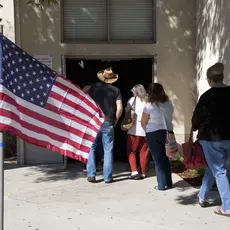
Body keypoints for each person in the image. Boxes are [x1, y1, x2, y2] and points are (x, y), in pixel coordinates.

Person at [192, 62, 230, 217]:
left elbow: (197, 118)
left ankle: (227, 207)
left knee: (219, 170)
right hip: (229, 138)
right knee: (213, 167)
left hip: (211, 138)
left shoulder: (207, 97)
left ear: (210, 80)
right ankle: (203, 196)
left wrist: (194, 128)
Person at [87, 68, 123, 183]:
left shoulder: (93, 88)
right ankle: (107, 177)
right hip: (108, 122)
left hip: (94, 121)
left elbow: (83, 96)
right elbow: (120, 108)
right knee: (108, 149)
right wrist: (116, 120)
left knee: (91, 147)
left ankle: (91, 174)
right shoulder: (116, 90)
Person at [141, 83, 174, 190]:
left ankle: (161, 185)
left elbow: (143, 122)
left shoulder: (149, 105)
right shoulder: (168, 103)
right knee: (165, 158)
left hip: (153, 133)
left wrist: (147, 131)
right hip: (166, 132)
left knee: (158, 159)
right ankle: (169, 182)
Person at [125, 84, 149, 179]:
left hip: (134, 130)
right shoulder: (149, 101)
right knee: (144, 152)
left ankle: (134, 171)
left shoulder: (132, 100)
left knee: (131, 151)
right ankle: (143, 172)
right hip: (146, 129)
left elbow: (126, 110)